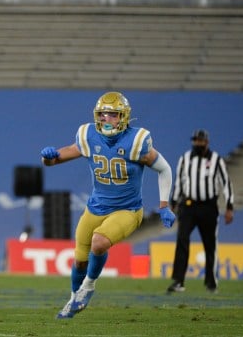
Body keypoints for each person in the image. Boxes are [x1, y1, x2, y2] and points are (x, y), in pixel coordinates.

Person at [40, 91, 176, 319]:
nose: (105, 118)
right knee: (80, 259)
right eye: (102, 114)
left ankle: (89, 287)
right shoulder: (88, 135)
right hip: (95, 207)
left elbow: (164, 168)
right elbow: (55, 159)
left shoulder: (136, 141)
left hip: (127, 209)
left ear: (123, 117)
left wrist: (164, 205)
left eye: (112, 114)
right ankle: (74, 300)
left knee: (99, 242)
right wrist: (47, 157)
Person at [167, 129, 234, 294]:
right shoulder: (185, 159)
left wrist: (229, 207)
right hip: (188, 206)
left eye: (200, 141)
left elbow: (226, 183)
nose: (197, 144)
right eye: (195, 141)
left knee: (210, 244)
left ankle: (211, 283)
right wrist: (173, 203)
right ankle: (178, 281)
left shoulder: (216, 159)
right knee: (182, 240)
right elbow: (179, 182)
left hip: (208, 207)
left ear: (206, 142)